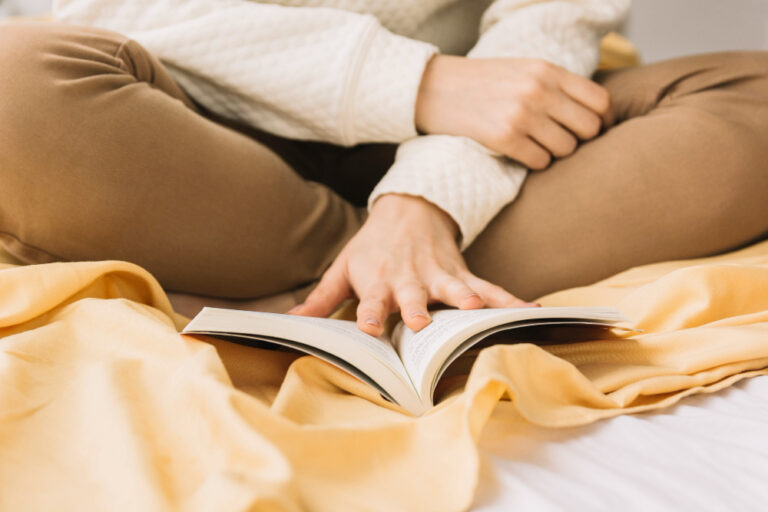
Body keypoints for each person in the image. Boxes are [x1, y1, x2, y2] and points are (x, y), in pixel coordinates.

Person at [0, 0, 766, 336]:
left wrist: (424, 200)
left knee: (754, 97)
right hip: (197, 139)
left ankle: (346, 281)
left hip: (481, 140)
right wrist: (417, 84)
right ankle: (362, 270)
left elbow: (548, 21)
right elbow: (115, 10)